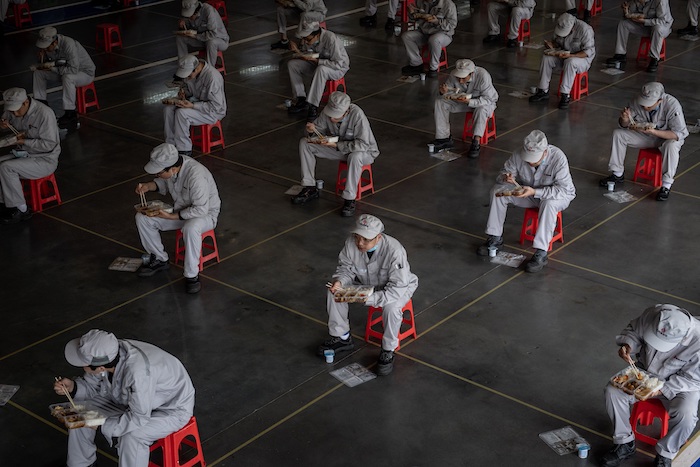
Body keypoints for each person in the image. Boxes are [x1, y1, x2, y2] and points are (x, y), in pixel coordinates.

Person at [53, 329, 195, 467]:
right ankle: (82, 464)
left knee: (133, 436)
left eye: (83, 364)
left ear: (100, 368)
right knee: (79, 413)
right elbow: (93, 385)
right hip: (130, 401)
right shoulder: (109, 353)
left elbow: (139, 417)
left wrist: (102, 424)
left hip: (169, 410)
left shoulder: (138, 373)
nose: (82, 366)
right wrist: (72, 387)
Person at [318, 214, 418, 376]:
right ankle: (341, 337)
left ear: (378, 237)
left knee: (391, 308)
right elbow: (345, 268)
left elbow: (397, 288)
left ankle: (388, 349)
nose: (360, 243)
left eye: (366, 239)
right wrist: (340, 282)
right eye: (357, 237)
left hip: (397, 287)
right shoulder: (351, 244)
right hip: (367, 283)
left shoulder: (395, 250)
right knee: (335, 293)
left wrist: (370, 299)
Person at [600, 304, 700, 467]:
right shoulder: (654, 314)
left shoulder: (698, 341)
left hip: (682, 384)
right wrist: (628, 345)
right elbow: (634, 331)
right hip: (646, 372)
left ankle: (665, 454)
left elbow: (694, 379)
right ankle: (625, 442)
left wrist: (662, 389)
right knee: (613, 391)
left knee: (686, 415)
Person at [477, 130, 575, 273]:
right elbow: (503, 173)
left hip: (556, 196)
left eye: (534, 158)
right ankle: (495, 238)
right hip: (528, 193)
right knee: (497, 192)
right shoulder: (518, 154)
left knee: (548, 204)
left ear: (545, 152)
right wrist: (506, 178)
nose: (529, 161)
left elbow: (563, 190)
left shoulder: (558, 158)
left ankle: (541, 252)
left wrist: (536, 192)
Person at [135, 143, 221, 294]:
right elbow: (163, 182)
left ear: (173, 169)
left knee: (191, 227)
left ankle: (191, 275)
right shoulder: (173, 168)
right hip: (181, 212)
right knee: (143, 218)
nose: (157, 175)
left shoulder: (196, 175)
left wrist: (171, 216)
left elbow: (200, 209)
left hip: (205, 215)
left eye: (158, 173)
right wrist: (148, 186)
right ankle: (160, 259)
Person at [291, 92, 379, 217]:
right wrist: (311, 131)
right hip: (339, 148)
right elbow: (318, 130)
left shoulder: (358, 115)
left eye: (336, 116)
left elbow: (363, 144)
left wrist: (337, 145)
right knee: (304, 143)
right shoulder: (327, 113)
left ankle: (349, 199)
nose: (332, 119)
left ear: (346, 111)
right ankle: (309, 187)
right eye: (331, 115)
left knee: (355, 156)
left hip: (364, 152)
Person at [599, 82, 687, 202]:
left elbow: (678, 134)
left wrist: (654, 132)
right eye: (644, 103)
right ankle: (617, 174)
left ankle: (666, 185)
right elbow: (625, 125)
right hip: (647, 136)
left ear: (660, 100)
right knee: (618, 134)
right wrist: (624, 119)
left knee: (671, 146)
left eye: (649, 104)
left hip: (667, 137)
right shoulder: (636, 101)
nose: (645, 107)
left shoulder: (672, 105)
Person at [0, 88, 60, 224]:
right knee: (2, 165)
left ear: (26, 102)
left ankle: (21, 210)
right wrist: (2, 125)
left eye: (16, 110)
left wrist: (24, 141)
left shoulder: (44, 114)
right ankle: (4, 203)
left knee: (7, 168)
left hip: (44, 159)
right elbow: (5, 121)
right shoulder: (12, 110)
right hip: (23, 154)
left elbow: (49, 145)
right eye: (11, 110)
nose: (14, 113)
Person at [431, 58, 498, 158]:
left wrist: (470, 101)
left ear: (472, 73)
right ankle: (443, 138)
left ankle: (476, 141)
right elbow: (448, 92)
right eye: (459, 78)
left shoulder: (483, 75)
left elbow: (490, 98)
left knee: (481, 109)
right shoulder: (454, 74)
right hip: (463, 102)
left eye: (463, 78)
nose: (460, 81)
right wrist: (443, 92)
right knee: (440, 102)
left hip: (482, 103)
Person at [32, 26, 96, 131]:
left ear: (54, 42)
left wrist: (52, 68)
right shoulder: (48, 48)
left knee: (68, 77)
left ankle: (70, 113)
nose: (45, 49)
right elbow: (52, 64)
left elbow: (73, 69)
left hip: (84, 73)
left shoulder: (69, 45)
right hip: (62, 71)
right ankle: (41, 104)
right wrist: (42, 60)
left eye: (47, 47)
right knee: (38, 72)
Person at [528, 12, 595, 110]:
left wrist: (571, 55)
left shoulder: (585, 30)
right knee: (546, 58)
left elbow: (587, 52)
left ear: (572, 27)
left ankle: (565, 95)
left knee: (570, 62)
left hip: (582, 59)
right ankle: (543, 90)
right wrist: (552, 46)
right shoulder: (559, 26)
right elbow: (557, 42)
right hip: (564, 55)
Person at [163, 55, 226, 157]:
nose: (187, 78)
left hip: (212, 112)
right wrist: (184, 94)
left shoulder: (212, 78)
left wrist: (193, 105)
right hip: (195, 102)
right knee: (168, 109)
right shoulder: (192, 73)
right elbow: (190, 91)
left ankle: (184, 149)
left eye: (188, 76)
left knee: (182, 113)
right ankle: (170, 144)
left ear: (196, 69)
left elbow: (216, 106)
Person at [286, 22, 350, 122]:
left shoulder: (331, 39)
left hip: (337, 69)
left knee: (321, 69)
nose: (305, 41)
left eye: (307, 39)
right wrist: (297, 51)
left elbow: (338, 64)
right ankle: (301, 99)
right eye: (303, 39)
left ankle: (313, 106)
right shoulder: (309, 40)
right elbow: (307, 54)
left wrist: (318, 61)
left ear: (317, 35)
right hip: (318, 64)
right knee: (292, 64)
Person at [605, 0, 673, 73]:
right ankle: (620, 54)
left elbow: (662, 21)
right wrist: (626, 10)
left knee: (657, 28)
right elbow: (629, 16)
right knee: (623, 24)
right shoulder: (636, 1)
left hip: (662, 26)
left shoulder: (660, 1)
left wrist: (644, 21)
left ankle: (654, 59)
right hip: (644, 25)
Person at [400, 0, 458, 77]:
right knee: (406, 36)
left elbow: (452, 24)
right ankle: (416, 64)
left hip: (443, 34)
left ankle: (433, 68)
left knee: (434, 39)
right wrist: (412, 13)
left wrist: (437, 22)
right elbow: (416, 18)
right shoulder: (420, 2)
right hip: (424, 32)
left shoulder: (448, 4)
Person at [175, 0, 229, 68]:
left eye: (190, 16)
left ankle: (210, 69)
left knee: (211, 42)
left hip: (219, 40)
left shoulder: (208, 11)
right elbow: (190, 25)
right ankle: (183, 65)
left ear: (196, 11)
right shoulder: (191, 15)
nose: (189, 18)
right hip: (202, 39)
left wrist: (196, 36)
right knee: (180, 38)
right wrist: (183, 24)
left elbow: (213, 34)